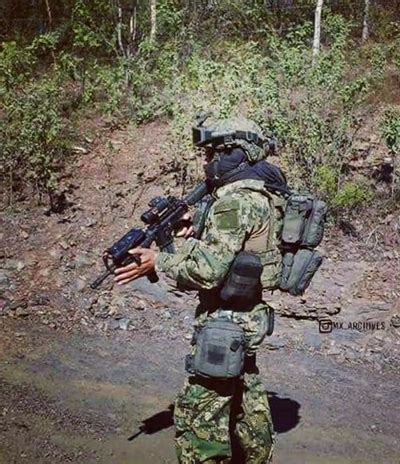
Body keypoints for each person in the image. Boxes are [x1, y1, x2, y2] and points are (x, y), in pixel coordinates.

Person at [114, 117, 290, 463]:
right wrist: (181, 242)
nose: (205, 162)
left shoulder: (235, 202)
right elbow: (227, 257)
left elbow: (207, 271)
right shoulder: (257, 195)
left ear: (233, 155)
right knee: (245, 404)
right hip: (243, 319)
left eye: (210, 154)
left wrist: (157, 262)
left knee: (198, 421)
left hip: (223, 328)